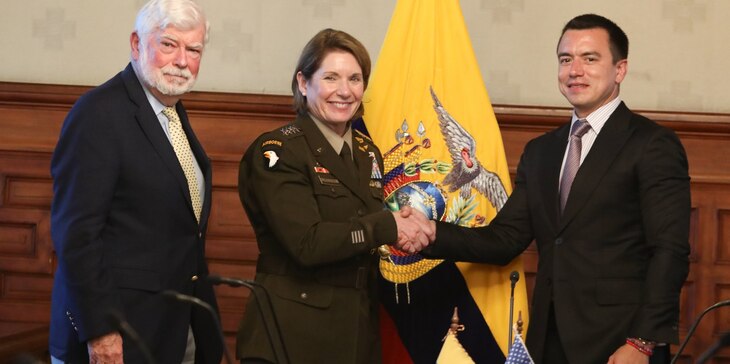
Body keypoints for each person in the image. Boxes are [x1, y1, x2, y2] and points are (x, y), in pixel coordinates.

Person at [417, 13, 691, 364]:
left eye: (590, 59)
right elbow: (505, 240)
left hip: (620, 341)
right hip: (549, 338)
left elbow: (669, 251)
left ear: (620, 69)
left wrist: (642, 342)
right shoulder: (541, 151)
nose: (575, 70)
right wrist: (429, 233)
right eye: (565, 59)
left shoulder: (652, 144)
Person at [235, 28, 434, 364]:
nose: (345, 91)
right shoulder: (279, 152)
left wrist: (408, 228)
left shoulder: (367, 152)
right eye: (331, 77)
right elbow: (307, 244)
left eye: (355, 79)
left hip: (355, 330)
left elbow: (359, 232)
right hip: (292, 335)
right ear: (303, 83)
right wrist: (388, 227)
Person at [49, 0, 223, 363]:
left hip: (172, 328)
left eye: (193, 50)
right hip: (117, 335)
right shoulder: (98, 113)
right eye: (168, 44)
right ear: (136, 44)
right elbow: (77, 235)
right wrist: (100, 329)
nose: (181, 61)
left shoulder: (171, 112)